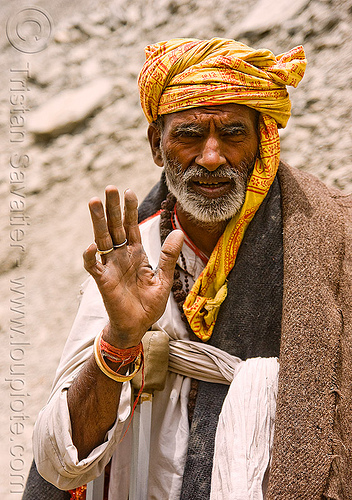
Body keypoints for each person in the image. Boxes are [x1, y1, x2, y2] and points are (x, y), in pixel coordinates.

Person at [33, 38, 352, 500]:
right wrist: (122, 339)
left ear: (263, 140)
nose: (211, 157)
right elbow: (63, 458)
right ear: (157, 146)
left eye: (233, 133)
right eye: (188, 135)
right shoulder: (132, 254)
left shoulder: (330, 242)